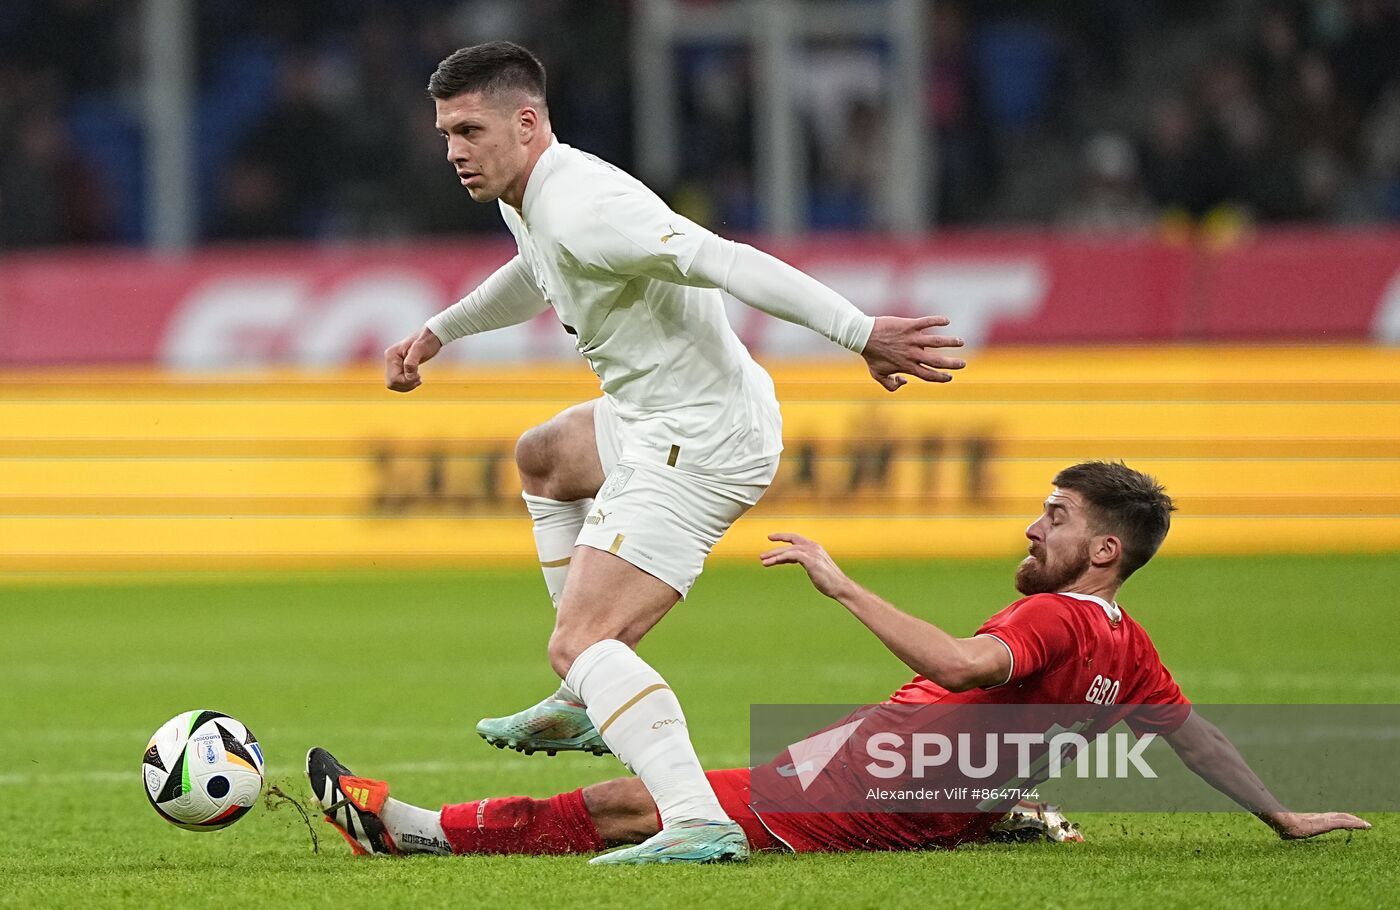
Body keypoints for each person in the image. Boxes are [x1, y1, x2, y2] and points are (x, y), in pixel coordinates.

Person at [376, 42, 968, 865]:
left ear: (525, 122)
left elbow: (724, 261)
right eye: (446, 134)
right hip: (654, 415)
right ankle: (583, 697)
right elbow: (533, 271)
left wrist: (859, 331)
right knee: (544, 457)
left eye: (469, 130)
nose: (453, 152)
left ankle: (694, 818)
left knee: (582, 641)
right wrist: (441, 329)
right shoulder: (531, 197)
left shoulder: (587, 205)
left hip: (701, 437)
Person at [307, 462, 1369, 859]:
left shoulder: (1051, 621)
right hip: (890, 778)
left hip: (864, 793)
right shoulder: (1124, 648)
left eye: (1055, 516)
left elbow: (960, 668)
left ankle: (407, 833)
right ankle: (992, 816)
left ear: (1103, 551)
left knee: (649, 806)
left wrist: (842, 581)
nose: (1034, 526)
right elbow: (1193, 735)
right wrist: (1279, 813)